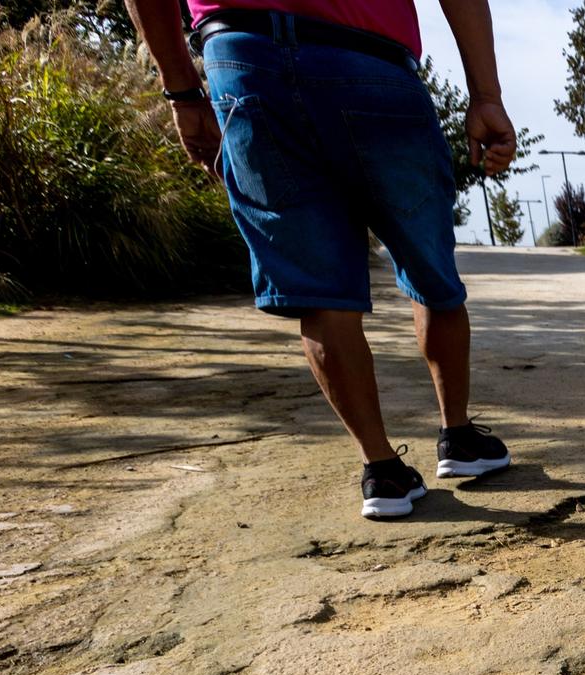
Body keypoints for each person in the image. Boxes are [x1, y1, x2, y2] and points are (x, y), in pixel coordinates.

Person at [126, 0, 518, 519]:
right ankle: (459, 437)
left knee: (320, 288)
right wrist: (485, 96)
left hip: (243, 59)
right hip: (368, 59)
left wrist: (182, 91)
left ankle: (381, 470)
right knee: (430, 269)